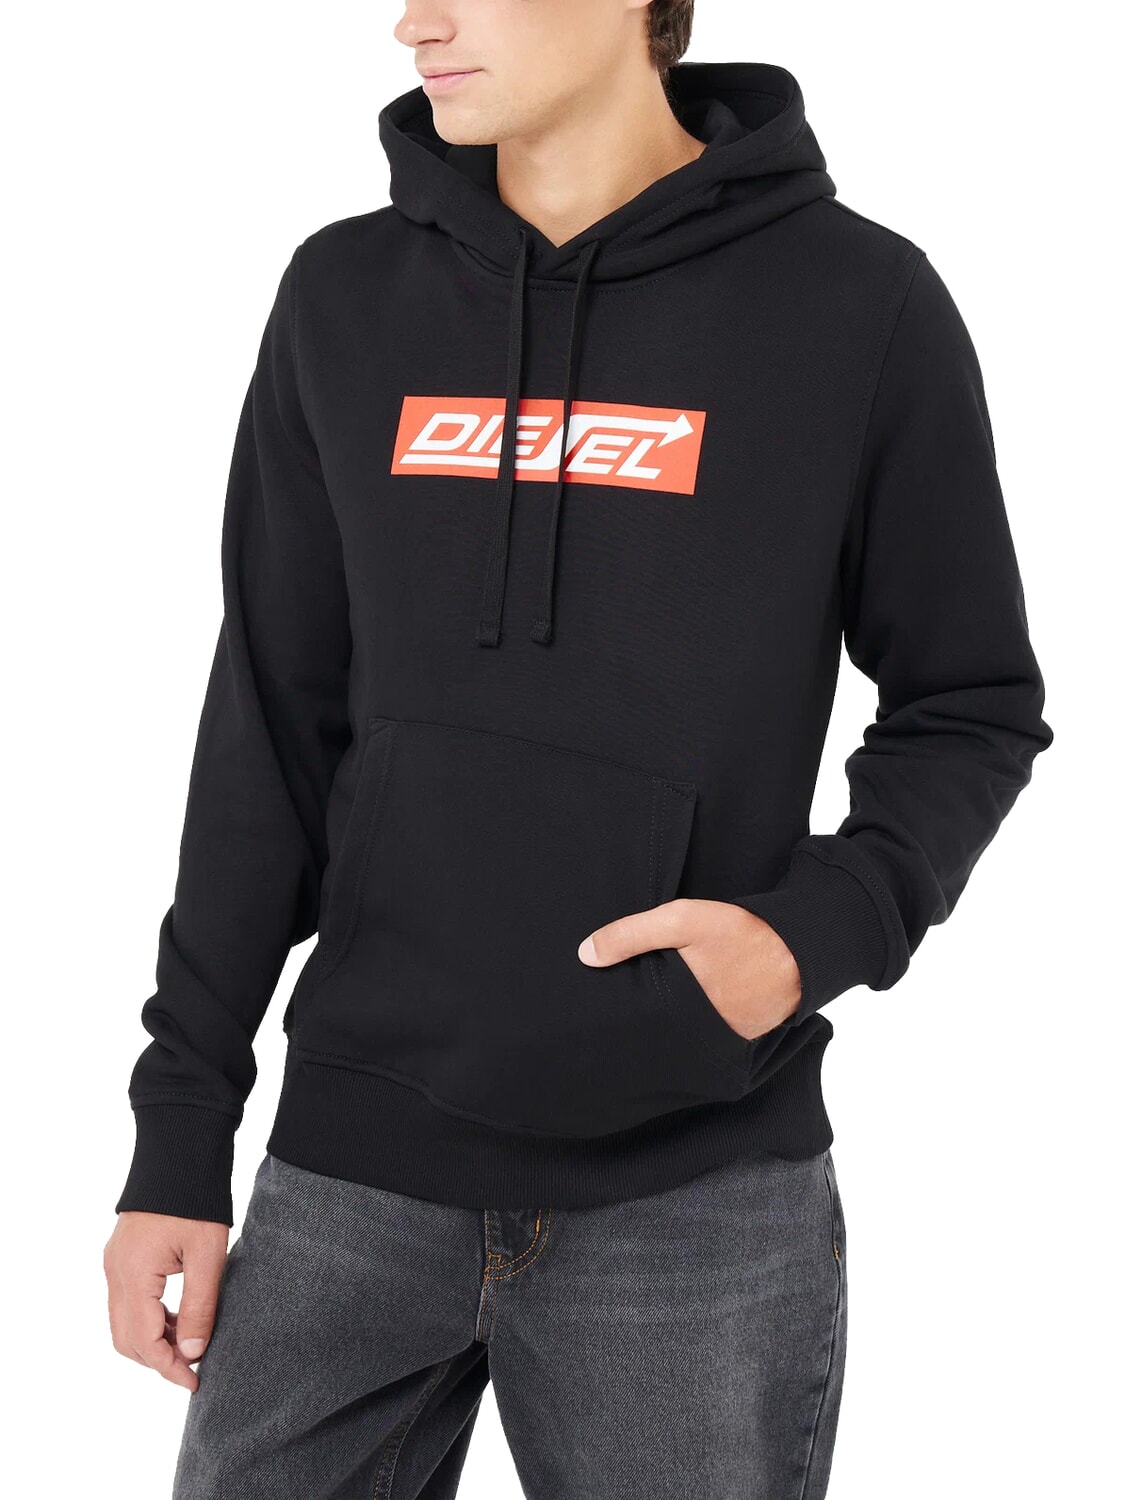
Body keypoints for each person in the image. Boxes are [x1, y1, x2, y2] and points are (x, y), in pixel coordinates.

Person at [103, 3, 1054, 1496]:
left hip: (693, 1196)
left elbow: (971, 699)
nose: (414, 23)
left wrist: (810, 937)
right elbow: (271, 730)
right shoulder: (343, 294)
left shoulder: (858, 305)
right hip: (350, 1166)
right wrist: (179, 1130)